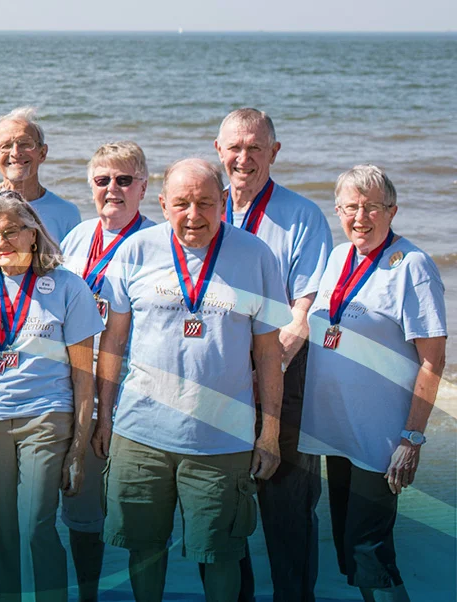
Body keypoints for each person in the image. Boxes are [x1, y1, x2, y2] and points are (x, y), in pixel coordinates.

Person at [95, 158, 286, 602]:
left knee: (220, 554)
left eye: (205, 203)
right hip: (141, 433)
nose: (194, 215)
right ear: (163, 204)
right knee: (142, 550)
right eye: (182, 204)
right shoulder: (136, 250)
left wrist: (270, 433)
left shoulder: (255, 255)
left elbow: (269, 351)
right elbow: (113, 342)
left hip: (221, 439)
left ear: (224, 202)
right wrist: (104, 418)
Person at [0, 193, 104, 602]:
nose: (1, 243)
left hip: (47, 417)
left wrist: (79, 449)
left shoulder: (68, 285)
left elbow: (83, 377)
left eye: (10, 232)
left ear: (33, 234)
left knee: (36, 524)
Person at [300, 165, 444, 602]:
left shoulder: (412, 266)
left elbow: (433, 361)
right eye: (350, 207)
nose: (360, 217)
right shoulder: (338, 257)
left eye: (372, 207)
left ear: (392, 211)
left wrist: (411, 438)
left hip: (381, 439)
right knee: (353, 551)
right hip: (340, 434)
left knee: (372, 551)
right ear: (338, 211)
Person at [212, 108, 334, 602]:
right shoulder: (201, 207)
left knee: (287, 511)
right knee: (220, 507)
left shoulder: (302, 216)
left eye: (255, 148)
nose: (244, 158)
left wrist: (265, 372)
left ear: (274, 153)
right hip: (218, 376)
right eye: (234, 148)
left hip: (285, 376)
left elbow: (304, 314)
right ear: (218, 150)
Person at [57, 141, 156, 602]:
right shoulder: (77, 238)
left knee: (139, 511)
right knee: (81, 507)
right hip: (76, 387)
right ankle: (89, 595)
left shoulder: (157, 244)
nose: (112, 189)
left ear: (143, 186)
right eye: (102, 180)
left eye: (124, 180)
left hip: (134, 394)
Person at [0, 107, 82, 239]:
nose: (16, 153)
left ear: (42, 153)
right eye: (6, 146)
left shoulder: (66, 213)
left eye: (25, 144)